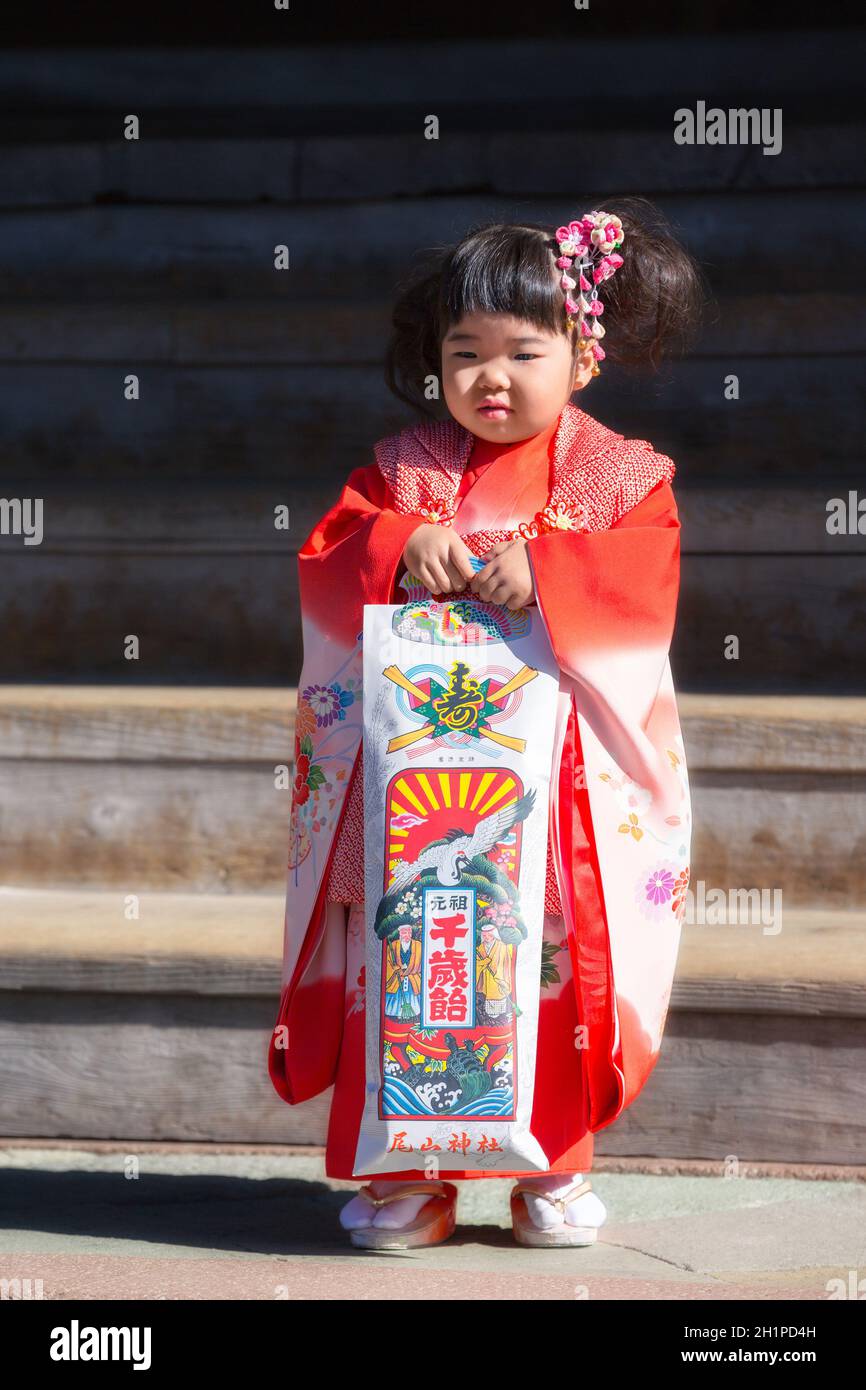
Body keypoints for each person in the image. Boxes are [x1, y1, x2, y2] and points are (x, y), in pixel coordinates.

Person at [269, 197, 705, 1249]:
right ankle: (411, 1173)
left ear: (581, 359)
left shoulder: (619, 483)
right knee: (414, 955)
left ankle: (547, 1166)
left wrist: (555, 568)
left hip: (552, 802)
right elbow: (333, 557)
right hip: (419, 803)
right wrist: (394, 544)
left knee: (543, 963)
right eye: (463, 353)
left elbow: (642, 583)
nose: (489, 378)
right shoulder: (398, 474)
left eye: (521, 351)